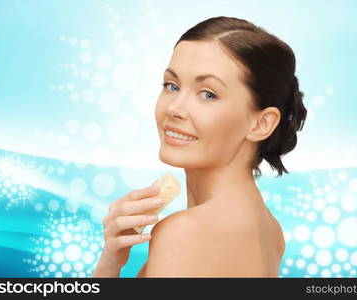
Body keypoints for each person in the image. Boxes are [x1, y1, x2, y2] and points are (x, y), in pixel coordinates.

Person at [93, 16, 307, 277]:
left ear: (261, 123)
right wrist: (111, 262)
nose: (174, 108)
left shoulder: (184, 233)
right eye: (172, 86)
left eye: (208, 94)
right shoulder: (269, 230)